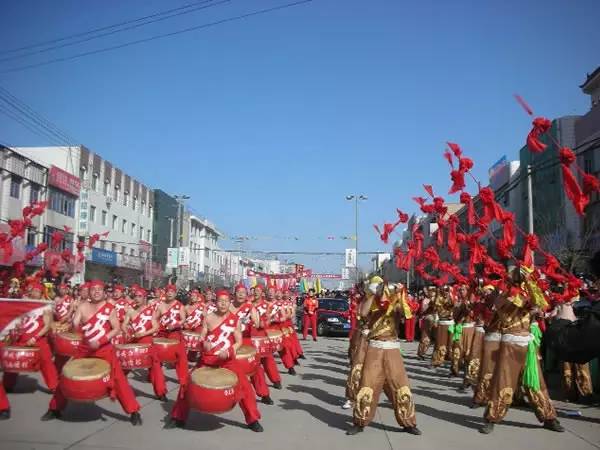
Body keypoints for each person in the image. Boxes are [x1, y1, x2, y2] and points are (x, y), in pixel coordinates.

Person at [43, 279, 142, 425]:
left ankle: (134, 411)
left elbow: (116, 329)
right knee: (66, 376)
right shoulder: (82, 307)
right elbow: (75, 324)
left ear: (103, 292)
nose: (96, 291)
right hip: (84, 349)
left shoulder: (109, 308)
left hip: (105, 349)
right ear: (89, 292)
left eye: (99, 289)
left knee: (118, 380)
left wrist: (101, 341)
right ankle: (54, 408)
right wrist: (70, 326)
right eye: (93, 289)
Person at [479, 268, 563, 434]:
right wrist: (529, 301)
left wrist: (534, 295)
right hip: (509, 345)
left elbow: (540, 306)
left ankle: (549, 417)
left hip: (527, 345)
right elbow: (512, 306)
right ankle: (491, 418)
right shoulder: (502, 298)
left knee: (536, 383)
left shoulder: (526, 294)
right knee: (502, 383)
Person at [166, 289, 263, 432]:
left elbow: (239, 341)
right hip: (207, 359)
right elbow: (202, 336)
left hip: (228, 360)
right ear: (215, 302)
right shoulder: (208, 317)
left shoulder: (234, 320)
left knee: (245, 388)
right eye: (220, 301)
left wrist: (229, 351)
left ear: (229, 302)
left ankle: (252, 419)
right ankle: (178, 417)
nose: (223, 304)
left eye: (226, 301)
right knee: (186, 384)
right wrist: (204, 343)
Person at [347, 277, 421, 436]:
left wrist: (400, 292)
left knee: (401, 386)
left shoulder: (395, 305)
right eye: (381, 289)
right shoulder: (371, 303)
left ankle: (408, 422)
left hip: (392, 350)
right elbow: (362, 313)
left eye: (384, 289)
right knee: (367, 385)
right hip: (375, 349)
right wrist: (373, 294)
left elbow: (407, 312)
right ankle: (360, 422)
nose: (384, 292)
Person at [3, 281, 59, 394]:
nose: (35, 293)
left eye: (38, 291)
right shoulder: (24, 304)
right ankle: (7, 385)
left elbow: (47, 325)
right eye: (34, 290)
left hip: (39, 340)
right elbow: (18, 320)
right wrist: (17, 329)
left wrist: (35, 337)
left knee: (46, 361)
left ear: (41, 293)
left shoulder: (45, 306)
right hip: (21, 338)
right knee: (14, 360)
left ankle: (54, 386)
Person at [230, 283, 274, 405]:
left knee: (256, 368)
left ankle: (264, 393)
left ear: (246, 295)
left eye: (243, 293)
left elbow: (258, 323)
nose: (240, 294)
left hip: (246, 341)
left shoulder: (250, 308)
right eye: (238, 292)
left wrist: (263, 319)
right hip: (230, 342)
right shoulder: (227, 307)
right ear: (234, 294)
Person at [122, 286, 168, 401]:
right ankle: (114, 386)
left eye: (139, 296)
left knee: (155, 366)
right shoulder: (130, 311)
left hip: (146, 341)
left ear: (144, 298)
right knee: (125, 364)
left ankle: (161, 392)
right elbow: (123, 325)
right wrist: (126, 331)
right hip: (133, 340)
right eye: (135, 296)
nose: (137, 299)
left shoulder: (151, 311)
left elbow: (156, 327)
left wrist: (143, 334)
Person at [251, 285, 283, 389]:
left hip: (262, 334)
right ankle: (261, 388)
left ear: (262, 293)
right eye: (255, 290)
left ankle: (275, 379)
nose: (256, 292)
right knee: (255, 363)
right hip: (250, 335)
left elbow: (269, 319)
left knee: (268, 359)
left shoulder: (267, 305)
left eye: (258, 290)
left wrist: (263, 323)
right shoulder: (248, 305)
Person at [156, 284, 188, 386]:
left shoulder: (180, 306)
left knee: (180, 355)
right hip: (161, 333)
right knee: (156, 355)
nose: (169, 293)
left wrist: (175, 325)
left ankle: (183, 380)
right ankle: (154, 377)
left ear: (175, 293)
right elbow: (154, 318)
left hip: (174, 333)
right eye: (168, 291)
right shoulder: (160, 305)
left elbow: (183, 320)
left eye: (172, 292)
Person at [431, 285, 454, 367]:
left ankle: (450, 358)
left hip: (451, 323)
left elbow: (454, 306)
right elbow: (435, 310)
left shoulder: (453, 297)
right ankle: (437, 360)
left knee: (451, 342)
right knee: (440, 343)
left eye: (447, 290)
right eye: (444, 290)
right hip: (442, 322)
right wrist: (436, 320)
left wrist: (451, 295)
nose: (446, 292)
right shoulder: (438, 299)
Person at [417, 287, 436, 359]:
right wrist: (429, 306)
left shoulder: (437, 299)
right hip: (428, 319)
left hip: (436, 319)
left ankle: (436, 354)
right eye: (431, 291)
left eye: (434, 291)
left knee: (437, 337)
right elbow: (422, 311)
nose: (433, 293)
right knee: (425, 337)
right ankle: (421, 353)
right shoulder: (426, 300)